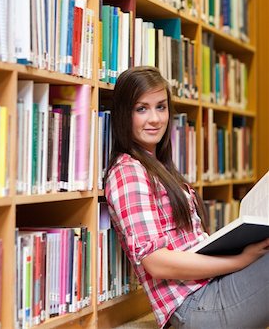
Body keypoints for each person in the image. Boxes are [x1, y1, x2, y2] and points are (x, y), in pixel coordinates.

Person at [104, 66, 269, 329]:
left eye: (161, 107)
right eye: (142, 109)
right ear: (125, 114)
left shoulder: (161, 168)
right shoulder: (128, 172)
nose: (155, 119)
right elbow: (156, 263)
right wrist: (240, 260)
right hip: (194, 306)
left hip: (210, 290)